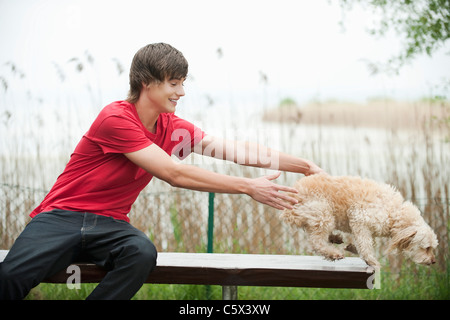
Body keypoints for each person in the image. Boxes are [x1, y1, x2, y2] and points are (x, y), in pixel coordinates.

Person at [0, 43, 324, 300]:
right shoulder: (116, 119)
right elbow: (174, 174)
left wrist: (305, 166)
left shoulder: (172, 128)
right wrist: (247, 187)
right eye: (173, 83)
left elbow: (237, 151)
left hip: (111, 224)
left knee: (141, 253)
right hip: (60, 217)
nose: (181, 92)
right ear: (146, 83)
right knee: (10, 278)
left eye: (182, 83)